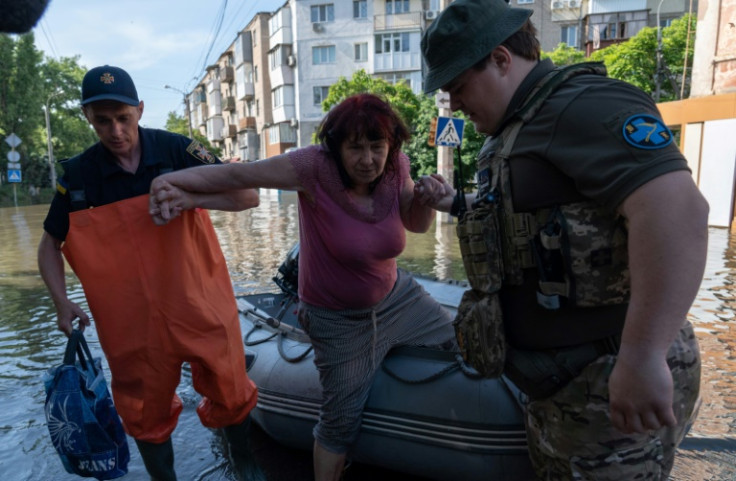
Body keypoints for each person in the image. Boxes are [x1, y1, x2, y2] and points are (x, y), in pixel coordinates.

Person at [417, 0, 708, 479]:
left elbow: (678, 212)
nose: (453, 103)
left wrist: (643, 356)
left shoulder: (582, 105)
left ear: (501, 60)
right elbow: (525, 222)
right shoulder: (514, 130)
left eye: (458, 86)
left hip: (610, 379)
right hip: (566, 393)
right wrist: (451, 204)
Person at [148, 93, 458, 481]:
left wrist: (428, 200)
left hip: (399, 299)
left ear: (391, 145)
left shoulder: (398, 166)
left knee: (459, 343)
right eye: (355, 147)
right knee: (339, 424)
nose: (367, 160)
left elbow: (416, 225)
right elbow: (240, 176)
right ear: (336, 147)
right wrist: (170, 182)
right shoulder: (312, 167)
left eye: (376, 147)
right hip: (338, 319)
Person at [37, 65, 266, 481]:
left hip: (201, 303)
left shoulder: (178, 150)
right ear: (88, 117)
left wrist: (188, 194)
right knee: (143, 412)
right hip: (131, 325)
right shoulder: (78, 177)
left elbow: (246, 195)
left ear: (140, 110)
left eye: (123, 118)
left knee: (231, 388)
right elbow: (50, 244)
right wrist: (61, 301)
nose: (115, 130)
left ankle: (244, 463)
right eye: (102, 120)